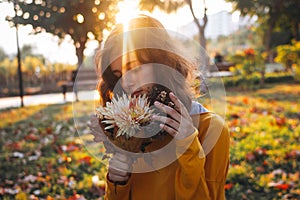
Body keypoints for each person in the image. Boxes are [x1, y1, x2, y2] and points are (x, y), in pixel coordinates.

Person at [92, 14, 230, 200]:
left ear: (163, 63)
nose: (127, 82)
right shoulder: (128, 130)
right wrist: (117, 183)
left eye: (135, 67)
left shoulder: (212, 129)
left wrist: (188, 147)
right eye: (119, 75)